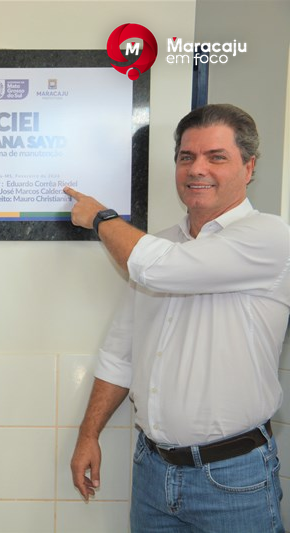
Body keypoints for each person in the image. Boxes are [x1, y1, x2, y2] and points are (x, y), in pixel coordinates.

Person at [65, 103, 290, 532]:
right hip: (152, 471)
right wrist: (88, 434)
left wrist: (100, 217)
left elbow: (161, 268)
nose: (197, 168)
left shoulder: (270, 236)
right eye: (187, 157)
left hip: (233, 477)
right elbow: (120, 352)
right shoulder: (157, 247)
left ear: (249, 167)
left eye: (216, 157)